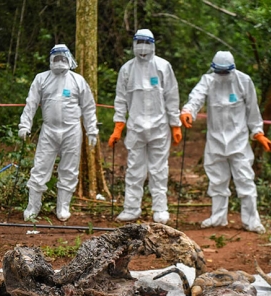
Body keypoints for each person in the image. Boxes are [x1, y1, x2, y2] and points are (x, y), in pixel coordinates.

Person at [180, 51, 271, 234]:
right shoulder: (208, 81)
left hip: (238, 141)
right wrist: (187, 112)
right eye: (219, 72)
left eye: (225, 72)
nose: (222, 76)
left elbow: (252, 109)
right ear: (214, 69)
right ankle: (218, 216)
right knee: (217, 180)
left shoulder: (244, 81)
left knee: (245, 180)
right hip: (215, 140)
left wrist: (258, 133)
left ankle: (251, 220)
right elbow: (196, 97)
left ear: (232, 69)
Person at [108, 29, 182, 224]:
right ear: (133, 44)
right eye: (138, 43)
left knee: (159, 169)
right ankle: (131, 208)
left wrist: (175, 124)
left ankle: (160, 209)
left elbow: (172, 96)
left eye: (146, 43)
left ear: (153, 44)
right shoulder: (127, 69)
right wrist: (118, 125)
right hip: (135, 127)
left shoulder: (163, 66)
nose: (142, 48)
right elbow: (121, 98)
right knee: (134, 169)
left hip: (159, 127)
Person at [18, 44, 98, 222]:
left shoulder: (78, 80)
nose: (60, 61)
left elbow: (88, 106)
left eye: (63, 58)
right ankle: (33, 206)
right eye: (56, 58)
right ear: (50, 60)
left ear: (69, 59)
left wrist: (91, 129)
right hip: (49, 130)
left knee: (69, 169)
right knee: (40, 167)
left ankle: (63, 206)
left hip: (72, 130)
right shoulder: (41, 79)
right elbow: (31, 103)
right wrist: (24, 125)